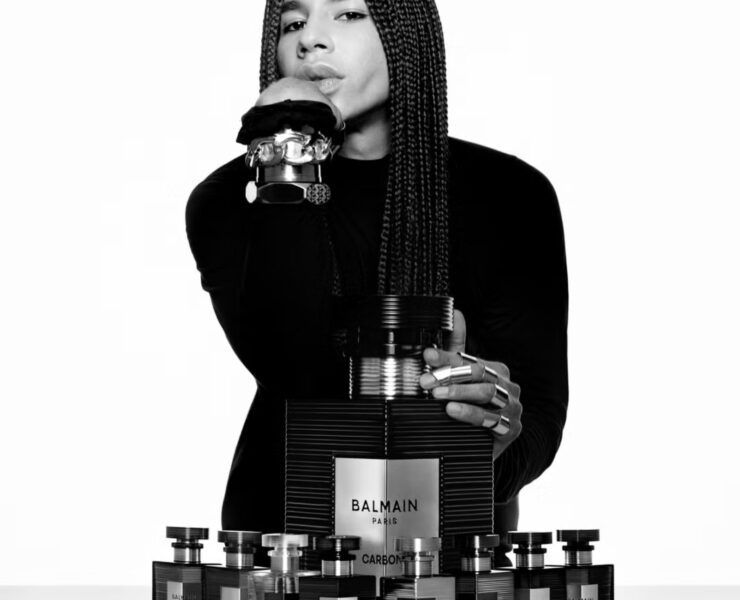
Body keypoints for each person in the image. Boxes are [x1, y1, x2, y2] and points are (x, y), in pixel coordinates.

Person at [186, 0, 568, 566]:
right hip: (284, 549)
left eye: (348, 14)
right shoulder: (228, 201)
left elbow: (538, 415)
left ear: (404, 32)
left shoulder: (511, 195)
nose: (310, 40)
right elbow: (298, 371)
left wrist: (487, 438)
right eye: (293, 23)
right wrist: (288, 158)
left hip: (451, 555)